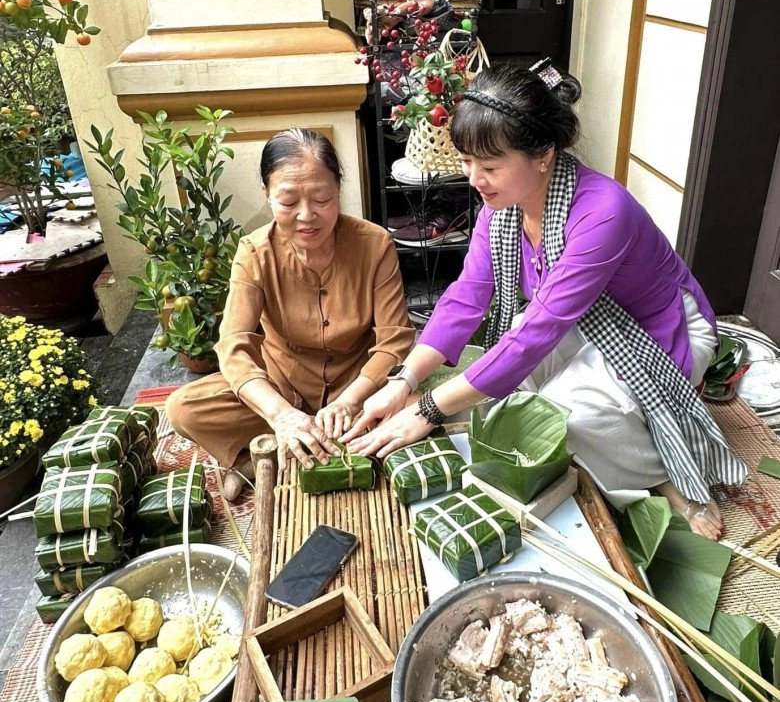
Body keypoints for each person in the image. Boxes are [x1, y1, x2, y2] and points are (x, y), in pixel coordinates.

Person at [344, 64, 747, 539]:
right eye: (469, 162)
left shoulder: (603, 212)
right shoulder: (501, 211)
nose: (475, 179)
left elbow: (534, 335)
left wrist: (426, 409)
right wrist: (404, 380)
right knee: (518, 398)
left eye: (490, 166)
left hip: (660, 328)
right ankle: (623, 441)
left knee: (559, 415)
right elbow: (465, 299)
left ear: (543, 155)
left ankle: (666, 476)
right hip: (582, 324)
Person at [166, 128, 415, 499]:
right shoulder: (254, 253)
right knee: (183, 408)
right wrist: (280, 413)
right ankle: (257, 457)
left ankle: (277, 455)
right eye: (287, 201)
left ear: (339, 189)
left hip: (358, 387)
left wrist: (350, 399)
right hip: (284, 385)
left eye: (322, 198)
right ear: (267, 195)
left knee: (420, 408)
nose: (306, 216)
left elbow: (395, 341)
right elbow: (233, 348)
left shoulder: (374, 244)